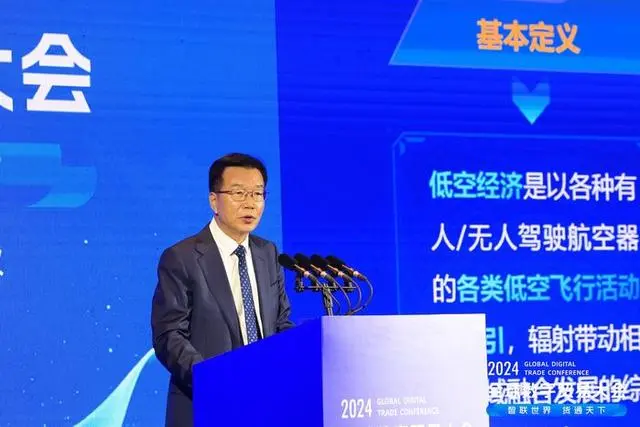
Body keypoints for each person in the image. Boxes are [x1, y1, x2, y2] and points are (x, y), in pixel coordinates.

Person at [151, 153, 294, 427]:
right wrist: (213, 380)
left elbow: (281, 322)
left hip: (266, 404)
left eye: (257, 193)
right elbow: (169, 335)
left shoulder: (268, 253)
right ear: (214, 201)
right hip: (206, 404)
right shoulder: (182, 258)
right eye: (238, 193)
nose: (250, 203)